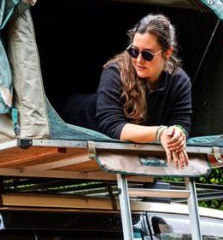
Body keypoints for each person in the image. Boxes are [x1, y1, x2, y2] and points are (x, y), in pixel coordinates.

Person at [63, 13, 192, 168]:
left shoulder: (179, 81)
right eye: (134, 51)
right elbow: (112, 126)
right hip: (73, 115)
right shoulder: (114, 71)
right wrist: (159, 133)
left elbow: (181, 123)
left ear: (167, 52)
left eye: (147, 55)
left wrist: (176, 134)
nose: (139, 60)